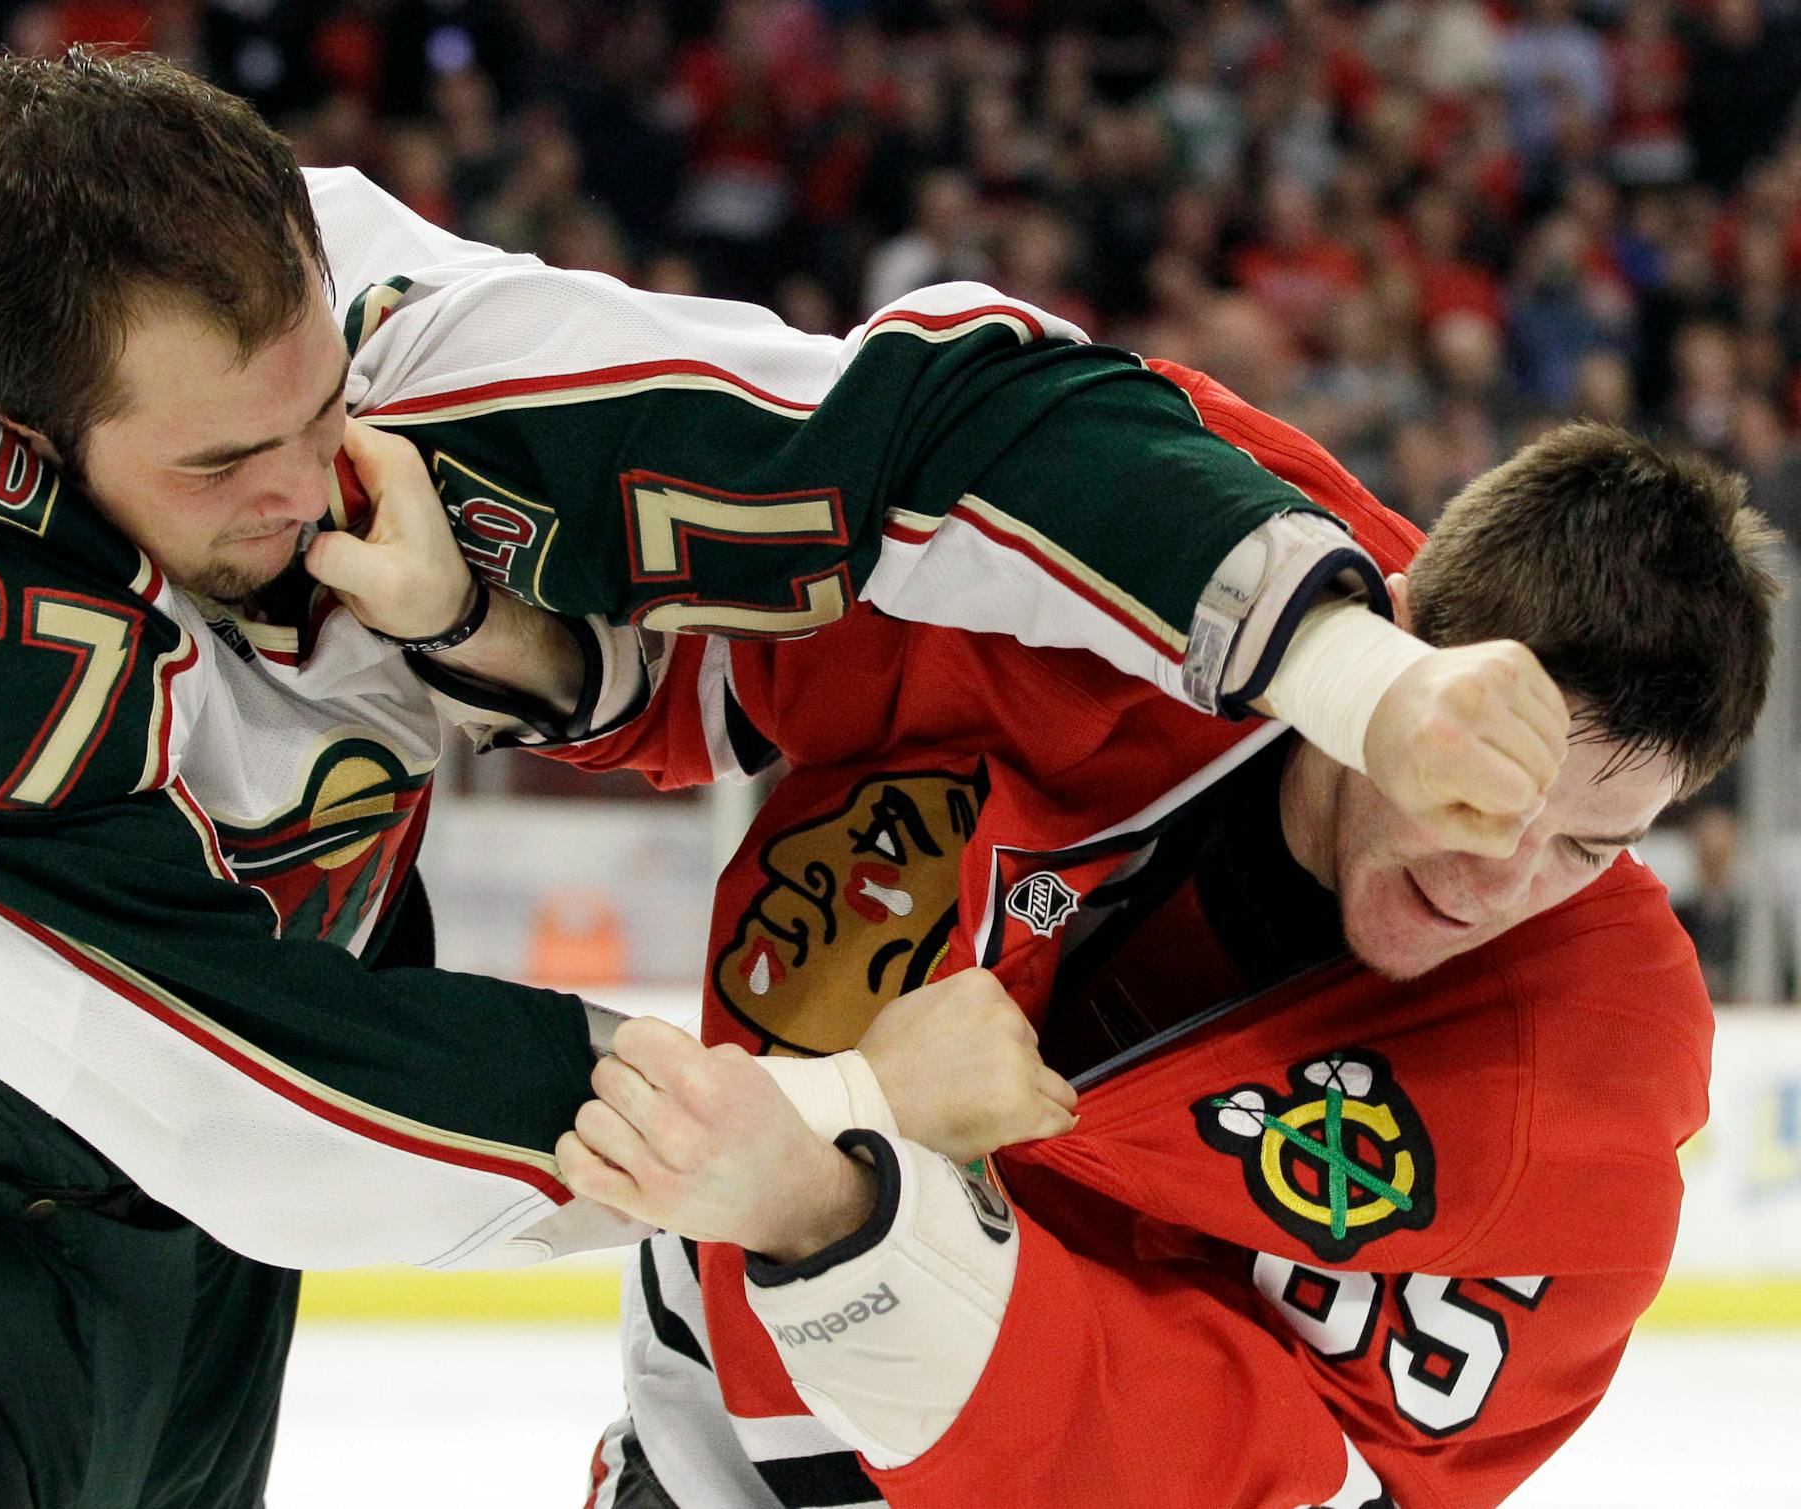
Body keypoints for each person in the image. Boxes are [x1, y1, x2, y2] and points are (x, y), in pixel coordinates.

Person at [0, 47, 1578, 1509]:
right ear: (24, 439)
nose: (310, 485)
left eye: (317, 409)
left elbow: (935, 423)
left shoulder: (382, 344)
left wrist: (1364, 673)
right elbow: (276, 1096)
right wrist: (835, 1098)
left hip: (171, 1273)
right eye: (226, 463)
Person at [541, 373, 1778, 1508]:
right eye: (1491, 786)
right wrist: (524, 645)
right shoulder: (1164, 552)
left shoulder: (1583, 1083)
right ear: (1394, 644)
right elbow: (721, 610)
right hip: (720, 1388)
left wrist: (848, 1202)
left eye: (1588, 846)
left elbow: (1323, 1479)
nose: (1501, 875)